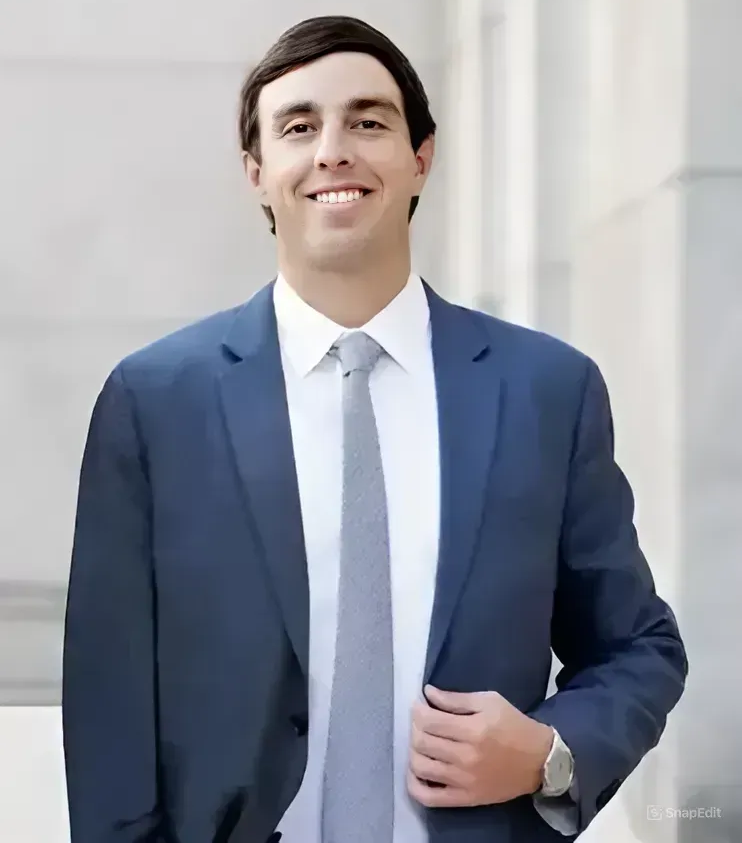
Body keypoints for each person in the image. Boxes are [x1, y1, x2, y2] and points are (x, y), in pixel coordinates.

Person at [61, 14, 688, 843]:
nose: (333, 150)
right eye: (298, 127)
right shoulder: (154, 402)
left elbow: (639, 644)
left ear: (421, 156)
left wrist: (550, 753)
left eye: (367, 120)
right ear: (257, 172)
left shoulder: (545, 391)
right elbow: (108, 702)